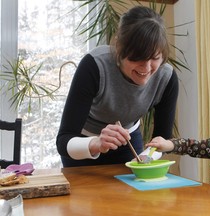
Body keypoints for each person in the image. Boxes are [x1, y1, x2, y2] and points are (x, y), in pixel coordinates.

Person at [56, 6, 179, 167]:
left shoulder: (166, 78)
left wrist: (144, 159)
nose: (147, 68)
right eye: (138, 58)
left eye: (155, 58)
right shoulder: (94, 65)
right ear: (120, 48)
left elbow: (162, 140)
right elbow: (64, 141)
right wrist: (97, 143)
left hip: (127, 141)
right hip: (83, 142)